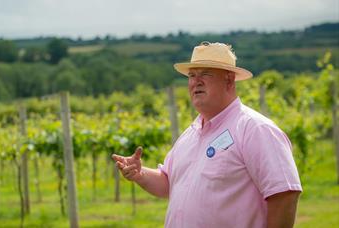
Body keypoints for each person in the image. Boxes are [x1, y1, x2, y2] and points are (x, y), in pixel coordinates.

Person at [112, 42, 302, 228]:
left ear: (229, 80)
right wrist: (140, 174)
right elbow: (168, 183)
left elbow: (284, 194)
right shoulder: (191, 134)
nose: (196, 82)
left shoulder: (255, 129)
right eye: (192, 75)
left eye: (205, 74)